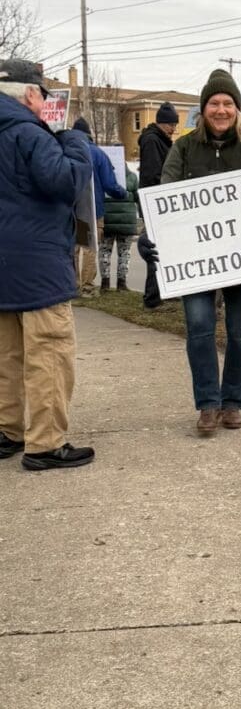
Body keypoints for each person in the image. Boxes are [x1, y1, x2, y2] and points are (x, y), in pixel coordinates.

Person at [138, 68, 241, 436]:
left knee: (240, 331)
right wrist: (148, 234)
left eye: (228, 103)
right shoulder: (183, 148)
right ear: (203, 109)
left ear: (237, 108)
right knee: (199, 326)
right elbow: (164, 194)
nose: (221, 109)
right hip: (194, 258)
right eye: (214, 103)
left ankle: (232, 402)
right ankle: (207, 404)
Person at [0, 58, 95, 470]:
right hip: (37, 261)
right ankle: (45, 443)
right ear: (31, 93)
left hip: (5, 263)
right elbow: (65, 182)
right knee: (49, 351)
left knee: (8, 353)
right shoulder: (28, 133)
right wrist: (74, 141)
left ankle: (7, 431)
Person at [72, 117, 127, 297]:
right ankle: (87, 287)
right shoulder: (98, 154)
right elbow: (110, 185)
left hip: (70, 208)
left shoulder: (66, 149)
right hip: (92, 208)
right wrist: (122, 193)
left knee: (73, 247)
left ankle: (72, 287)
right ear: (90, 134)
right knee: (89, 247)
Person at [138, 101, 179, 308]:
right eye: (172, 125)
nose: (174, 129)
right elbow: (153, 174)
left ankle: (165, 290)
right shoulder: (153, 141)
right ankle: (153, 297)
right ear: (163, 123)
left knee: (167, 248)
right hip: (155, 202)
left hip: (158, 200)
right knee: (155, 249)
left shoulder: (160, 141)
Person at [99, 164, 139, 291]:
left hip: (107, 220)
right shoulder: (132, 177)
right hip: (126, 222)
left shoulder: (104, 176)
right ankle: (121, 284)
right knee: (124, 253)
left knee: (105, 251)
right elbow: (138, 198)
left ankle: (105, 283)